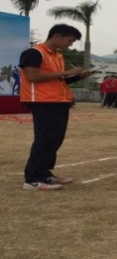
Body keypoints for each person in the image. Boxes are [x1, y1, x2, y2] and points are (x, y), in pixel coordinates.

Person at [18, 24, 95, 190]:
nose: (70, 45)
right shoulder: (34, 52)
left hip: (58, 101)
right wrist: (66, 72)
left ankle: (44, 173)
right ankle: (33, 179)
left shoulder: (57, 56)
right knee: (45, 139)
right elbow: (32, 76)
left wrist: (78, 76)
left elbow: (58, 80)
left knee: (55, 139)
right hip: (42, 102)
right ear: (57, 36)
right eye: (69, 40)